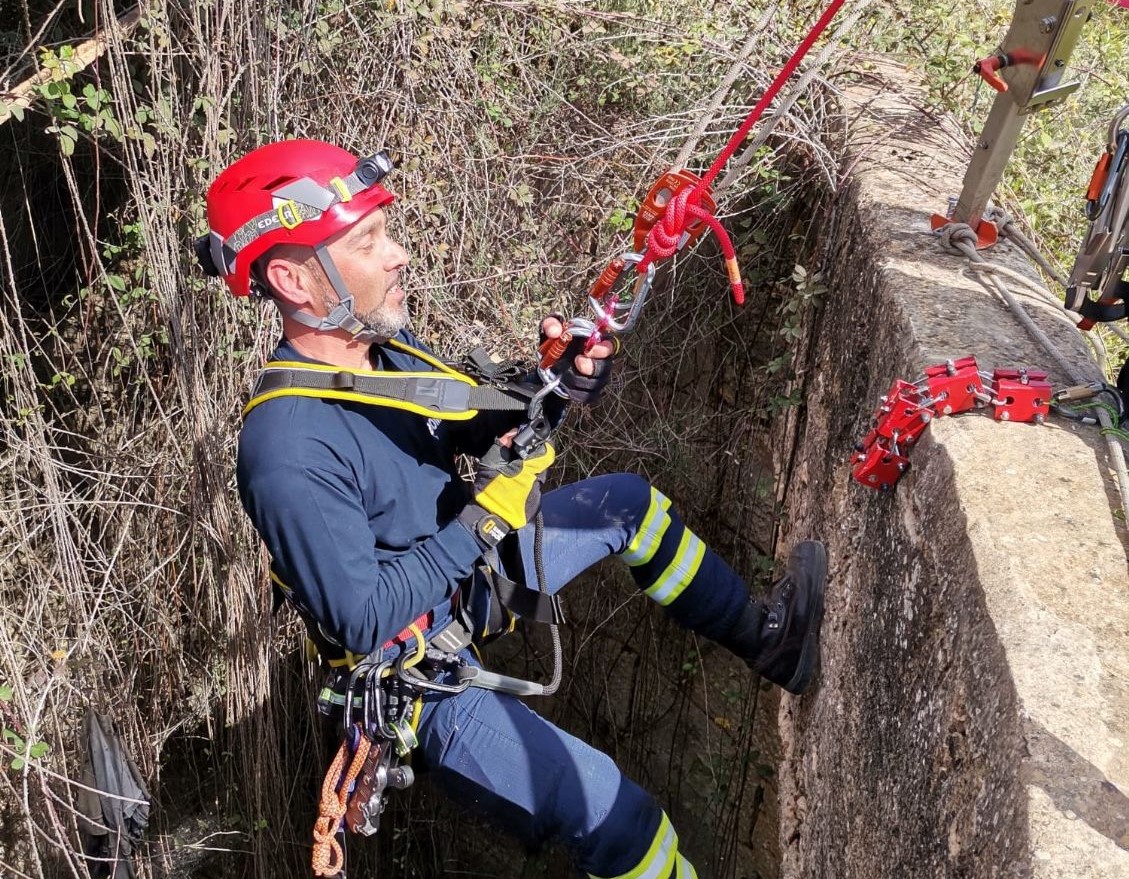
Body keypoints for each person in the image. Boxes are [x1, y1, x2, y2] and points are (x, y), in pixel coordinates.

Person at [197, 139, 828, 879]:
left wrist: (555, 382)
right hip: (414, 674)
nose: (398, 254)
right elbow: (359, 617)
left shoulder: (382, 354)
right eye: (368, 240)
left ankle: (770, 643)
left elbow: (483, 420)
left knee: (624, 504)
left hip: (465, 585)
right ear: (294, 279)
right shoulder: (286, 448)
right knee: (622, 822)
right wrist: (483, 521)